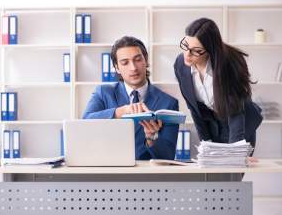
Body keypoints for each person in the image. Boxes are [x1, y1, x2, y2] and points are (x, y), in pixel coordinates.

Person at [174, 18, 262, 162]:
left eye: (196, 51)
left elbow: (236, 112)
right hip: (211, 124)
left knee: (231, 178)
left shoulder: (230, 63)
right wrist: (206, 146)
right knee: (211, 180)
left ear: (209, 50)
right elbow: (194, 109)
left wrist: (236, 151)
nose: (187, 54)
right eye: (185, 45)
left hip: (237, 126)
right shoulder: (180, 64)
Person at [83, 36, 179, 160]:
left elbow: (168, 157)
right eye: (125, 63)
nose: (133, 67)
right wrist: (122, 111)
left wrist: (152, 137)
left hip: (145, 176)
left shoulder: (169, 103)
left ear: (146, 60)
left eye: (138, 59)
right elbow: (85, 122)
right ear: (117, 68)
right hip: (108, 172)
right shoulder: (103, 93)